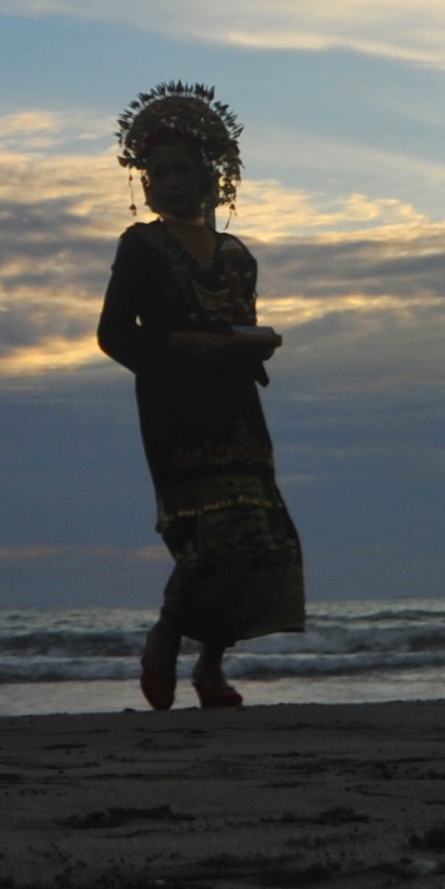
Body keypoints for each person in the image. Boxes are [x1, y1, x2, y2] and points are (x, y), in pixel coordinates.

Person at [95, 80, 304, 711]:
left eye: (182, 170)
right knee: (207, 540)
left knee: (260, 538)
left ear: (214, 177)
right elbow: (111, 334)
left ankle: (210, 666)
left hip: (237, 407)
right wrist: (181, 344)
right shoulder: (140, 247)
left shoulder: (239, 256)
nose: (170, 182)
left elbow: (237, 323)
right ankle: (165, 635)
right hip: (174, 409)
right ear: (145, 184)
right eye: (157, 173)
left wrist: (251, 346)